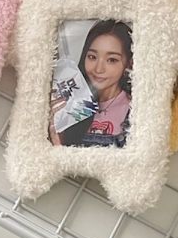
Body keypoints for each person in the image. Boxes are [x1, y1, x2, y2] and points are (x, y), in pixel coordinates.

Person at [49, 20, 133, 148]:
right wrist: (55, 135)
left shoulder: (135, 110)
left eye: (111, 60)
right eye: (92, 57)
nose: (98, 69)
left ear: (128, 63)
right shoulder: (74, 105)